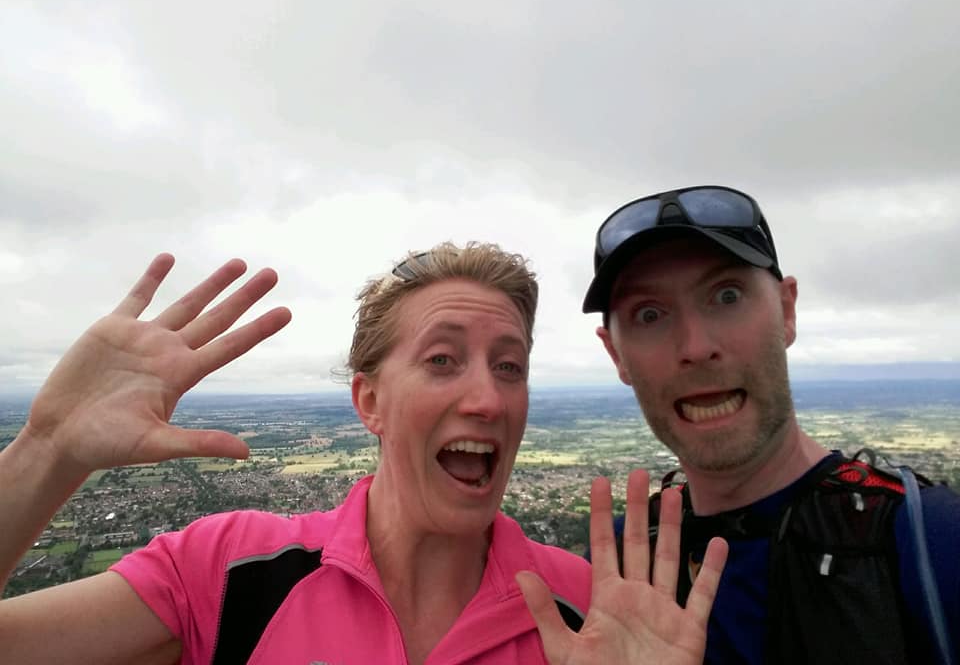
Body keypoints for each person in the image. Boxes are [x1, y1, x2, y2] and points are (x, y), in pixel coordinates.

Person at [0, 243, 726, 665]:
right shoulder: (230, 574)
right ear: (369, 402)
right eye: (443, 360)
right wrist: (47, 449)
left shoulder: (593, 614)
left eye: (511, 366)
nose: (489, 398)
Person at [582, 185, 960, 664]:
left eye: (727, 294)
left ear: (786, 310)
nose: (696, 346)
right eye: (650, 314)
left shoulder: (931, 546)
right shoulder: (611, 575)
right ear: (616, 355)